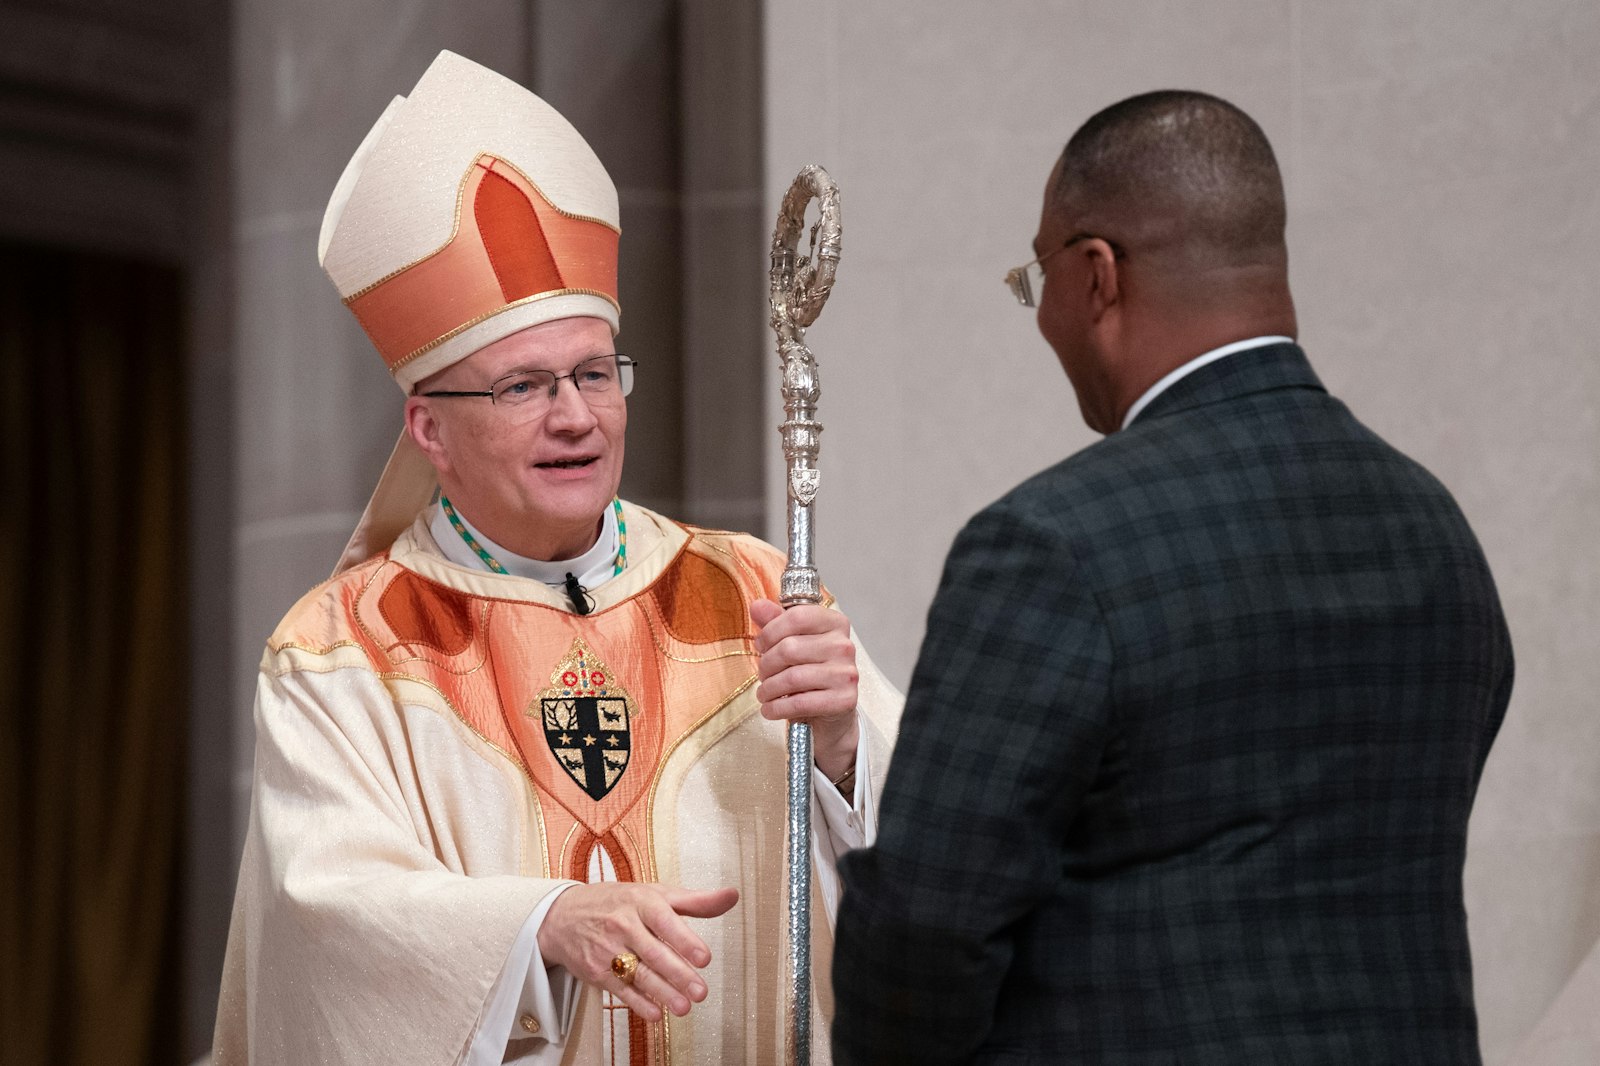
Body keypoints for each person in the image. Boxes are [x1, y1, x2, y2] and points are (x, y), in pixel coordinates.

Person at [212, 51, 901, 1066]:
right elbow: (330, 913)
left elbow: (938, 840)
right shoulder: (344, 649)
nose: (576, 416)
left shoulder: (745, 588)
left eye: (593, 372)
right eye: (523, 387)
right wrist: (540, 923)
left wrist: (844, 747)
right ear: (430, 429)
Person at [831, 90, 1512, 1065]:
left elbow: (926, 922)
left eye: (1039, 277)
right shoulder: (1431, 527)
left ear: (1096, 273)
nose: (1044, 313)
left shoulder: (1048, 545)